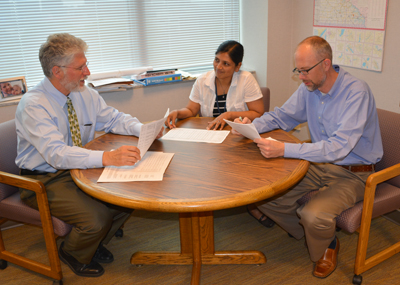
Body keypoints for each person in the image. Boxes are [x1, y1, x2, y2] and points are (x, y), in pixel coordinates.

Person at [233, 36, 383, 278]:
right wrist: (250, 126)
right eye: (298, 70)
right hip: (319, 162)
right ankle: (319, 235)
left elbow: (338, 148)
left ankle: (325, 243)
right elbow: (282, 116)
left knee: (312, 215)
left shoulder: (356, 92)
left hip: (355, 172)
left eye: (305, 71)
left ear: (325, 64)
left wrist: (284, 149)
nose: (301, 77)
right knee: (265, 195)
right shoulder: (310, 88)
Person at [15, 33, 162, 278]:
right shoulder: (34, 105)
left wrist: (145, 129)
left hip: (80, 168)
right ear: (57, 71)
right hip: (44, 179)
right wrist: (107, 158)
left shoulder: (83, 92)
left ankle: (94, 242)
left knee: (129, 197)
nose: (88, 71)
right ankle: (73, 252)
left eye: (86, 64)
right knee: (97, 218)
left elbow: (114, 118)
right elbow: (57, 155)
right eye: (81, 67)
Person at [165, 40, 264, 130]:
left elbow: (258, 113)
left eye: (226, 64)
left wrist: (229, 115)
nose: (218, 67)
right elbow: (191, 110)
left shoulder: (246, 79)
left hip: (238, 133)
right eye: (217, 60)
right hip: (210, 133)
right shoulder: (202, 80)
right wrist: (177, 113)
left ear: (237, 66)